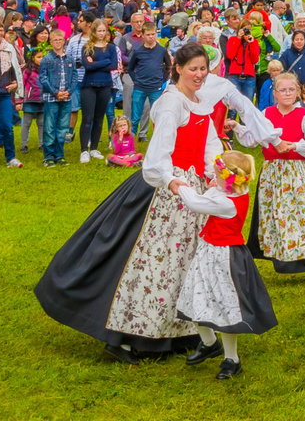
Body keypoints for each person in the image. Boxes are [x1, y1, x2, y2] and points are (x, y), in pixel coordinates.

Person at [33, 42, 276, 364]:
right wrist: (175, 183)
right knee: (153, 263)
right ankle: (129, 337)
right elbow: (158, 156)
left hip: (197, 187)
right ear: (177, 68)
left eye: (204, 68)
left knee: (188, 264)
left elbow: (210, 142)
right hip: (168, 188)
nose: (199, 75)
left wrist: (215, 172)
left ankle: (183, 332)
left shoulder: (201, 98)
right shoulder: (170, 104)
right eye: (193, 69)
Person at [173, 149, 275, 379]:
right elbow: (218, 188)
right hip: (208, 253)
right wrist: (215, 184)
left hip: (224, 258)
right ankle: (210, 344)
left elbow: (196, 203)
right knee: (195, 297)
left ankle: (232, 359)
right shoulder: (239, 189)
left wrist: (180, 186)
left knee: (225, 309)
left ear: (227, 179)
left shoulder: (224, 202)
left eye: (216, 173)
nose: (212, 176)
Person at [247, 72, 305, 285]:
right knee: (277, 216)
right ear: (275, 93)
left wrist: (295, 146)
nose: (287, 93)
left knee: (303, 218)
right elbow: (254, 138)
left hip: (297, 173)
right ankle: (279, 255)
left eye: (291, 90)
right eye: (283, 90)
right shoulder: (267, 113)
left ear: (298, 92)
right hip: (272, 173)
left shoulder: (303, 116)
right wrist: (238, 127)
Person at [37, 28, 78, 167]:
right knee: (49, 127)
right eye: (55, 40)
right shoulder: (47, 59)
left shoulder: (70, 59)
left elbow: (74, 76)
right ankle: (48, 156)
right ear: (50, 42)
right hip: (51, 98)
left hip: (66, 98)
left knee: (63, 127)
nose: (58, 42)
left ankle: (59, 155)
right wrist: (55, 92)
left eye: (60, 40)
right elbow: (43, 78)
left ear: (64, 41)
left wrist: (69, 91)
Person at [78, 24, 117, 163]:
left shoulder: (111, 48)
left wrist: (96, 63)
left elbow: (113, 65)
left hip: (105, 85)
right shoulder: (87, 47)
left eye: (103, 31)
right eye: (99, 31)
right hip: (89, 85)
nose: (101, 33)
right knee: (87, 118)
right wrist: (104, 62)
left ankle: (94, 148)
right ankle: (84, 150)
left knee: (99, 118)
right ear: (94, 31)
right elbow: (87, 66)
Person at [0, 20, 20, 168]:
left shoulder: (8, 48)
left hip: (4, 92)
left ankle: (11, 158)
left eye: (0, 30)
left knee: (8, 126)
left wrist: (15, 83)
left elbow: (13, 68)